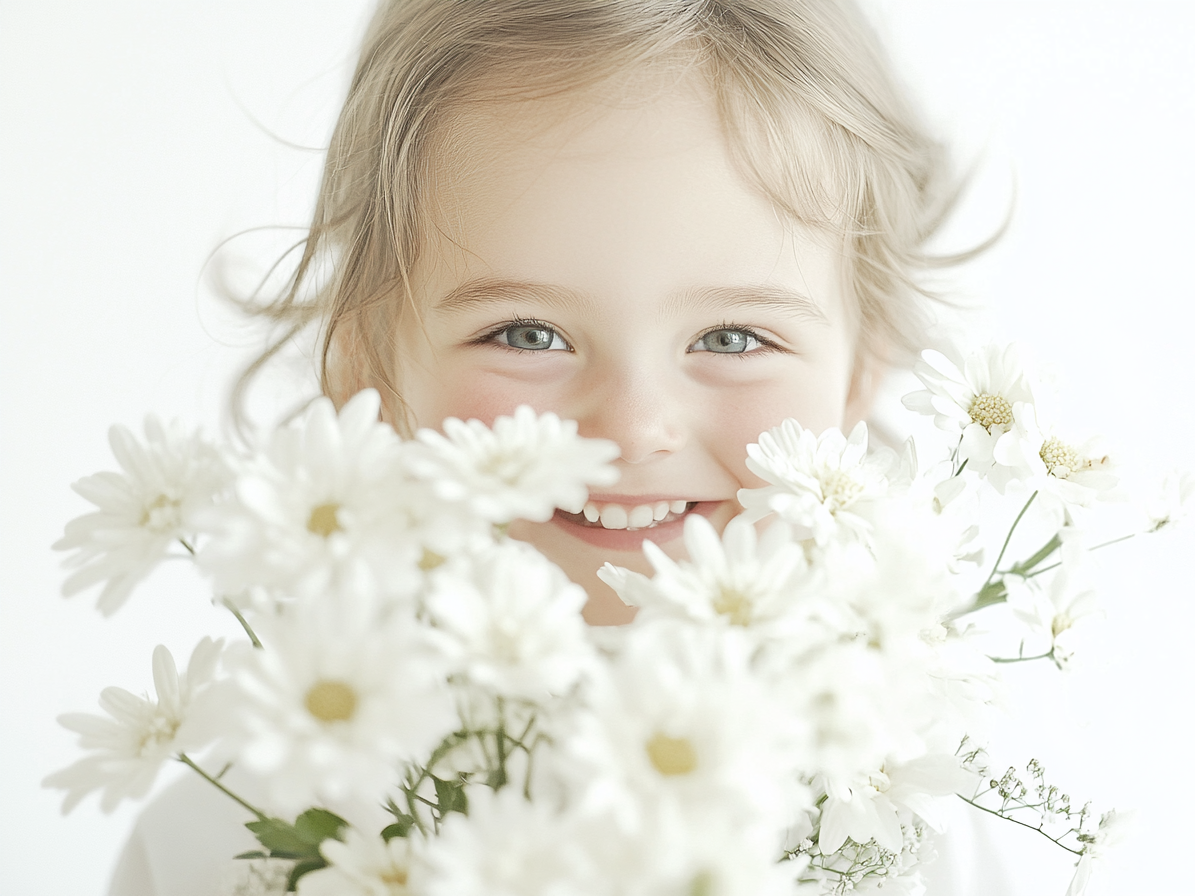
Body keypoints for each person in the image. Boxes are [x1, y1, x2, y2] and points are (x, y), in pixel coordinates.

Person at [112, 1, 1016, 892]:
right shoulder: (236, 834)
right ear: (366, 366)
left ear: (863, 374)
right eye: (528, 335)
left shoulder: (911, 834)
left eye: (734, 339)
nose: (631, 428)